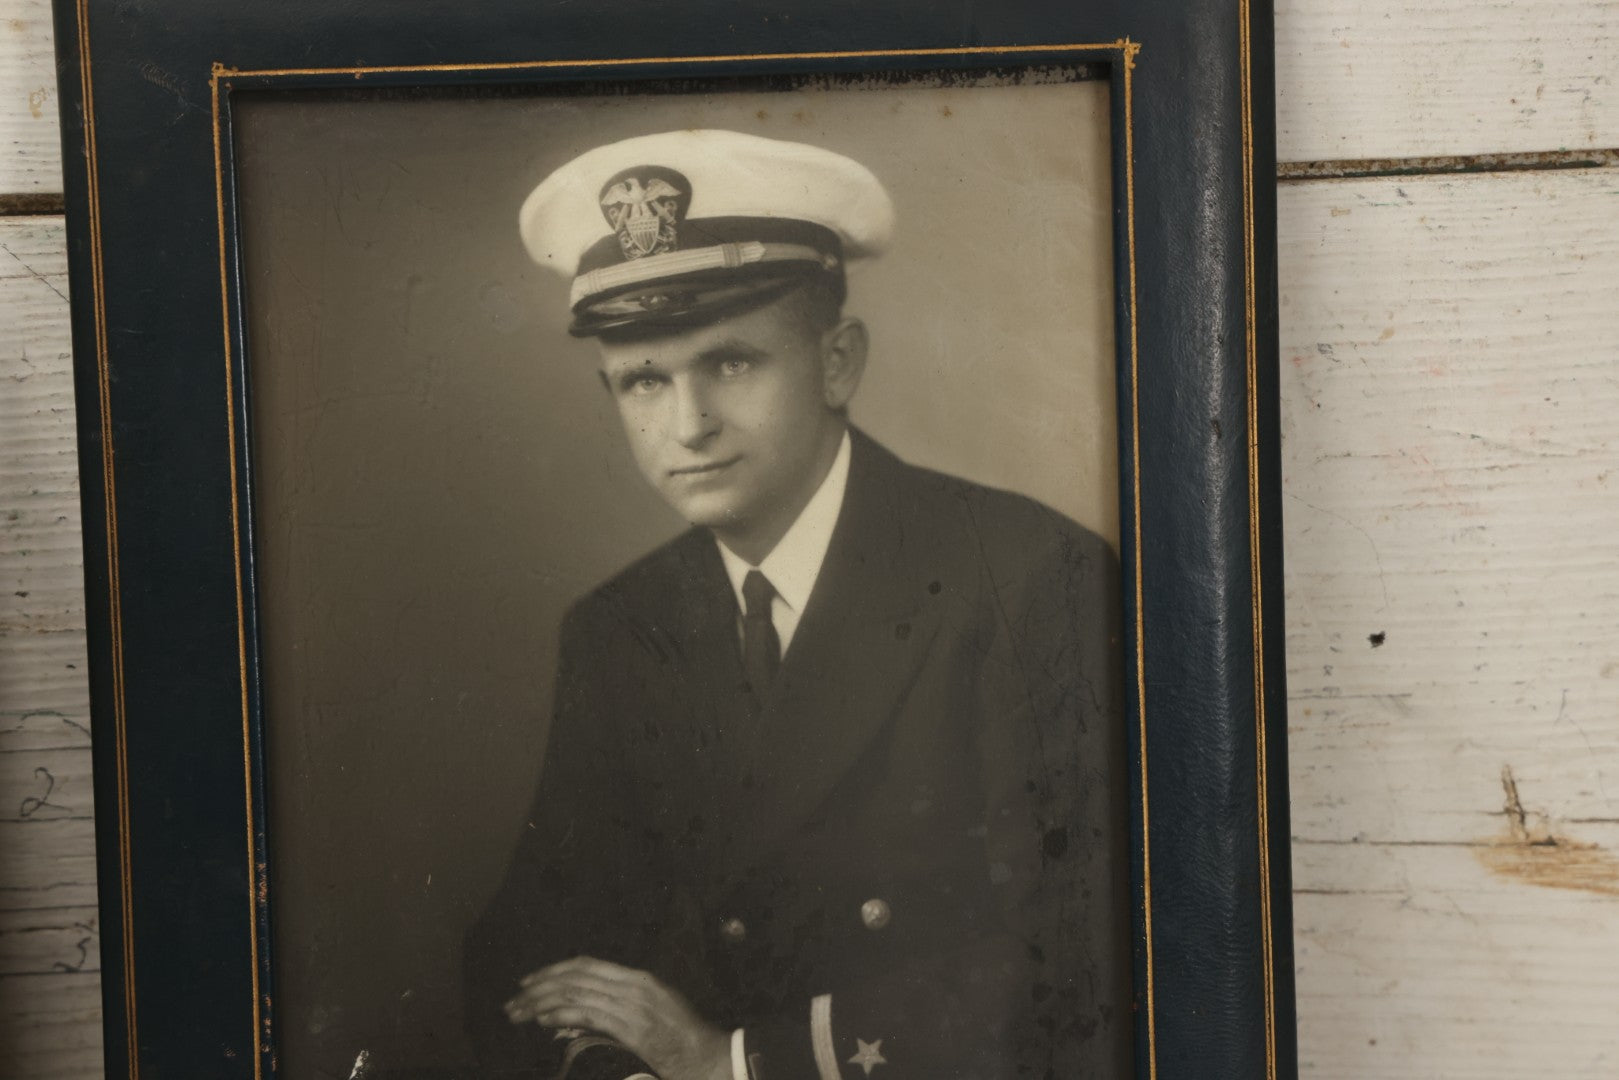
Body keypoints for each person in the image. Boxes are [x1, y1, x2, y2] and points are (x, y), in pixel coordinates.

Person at [463, 129, 1130, 1080]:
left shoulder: (1025, 578)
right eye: (645, 380)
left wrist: (736, 1062)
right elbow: (536, 946)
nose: (688, 424)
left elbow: (1080, 950)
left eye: (732, 363)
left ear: (837, 362)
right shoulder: (619, 628)